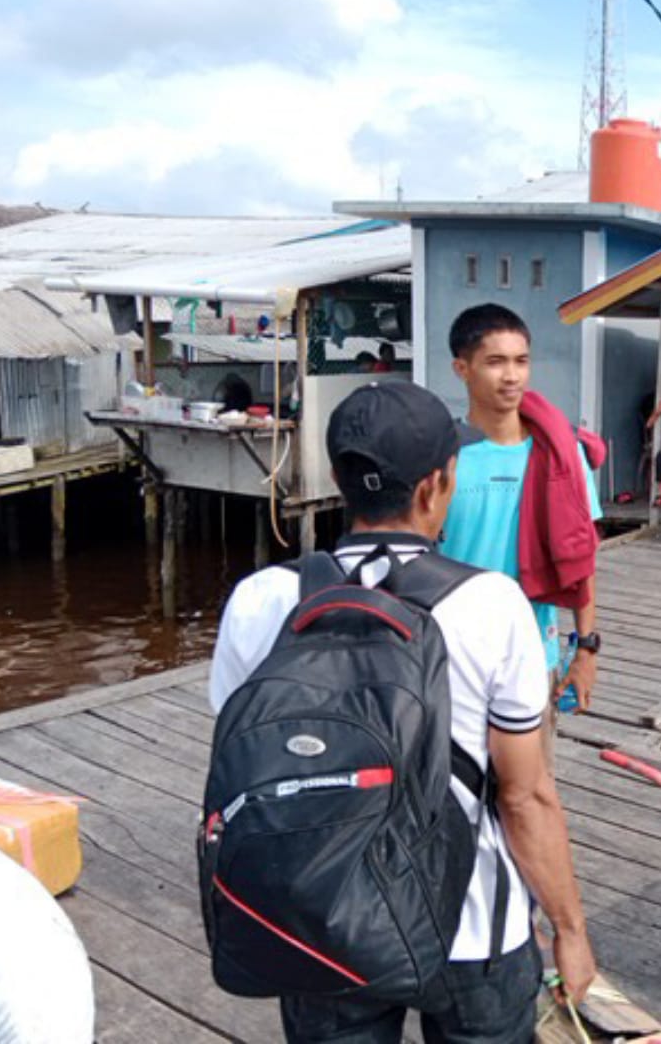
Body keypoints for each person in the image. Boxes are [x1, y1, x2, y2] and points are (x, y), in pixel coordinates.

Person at [208, 380, 595, 1043]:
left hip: (321, 917)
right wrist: (571, 930)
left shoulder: (259, 598)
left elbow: (242, 761)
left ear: (337, 477)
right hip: (472, 926)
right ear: (436, 485)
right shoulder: (492, 605)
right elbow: (525, 797)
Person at [442, 304, 603, 722]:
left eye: (521, 361)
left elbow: (580, 557)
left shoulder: (563, 457)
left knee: (530, 784)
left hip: (533, 649)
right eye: (495, 362)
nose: (511, 376)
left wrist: (586, 649)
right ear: (462, 368)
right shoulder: (441, 458)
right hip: (450, 653)